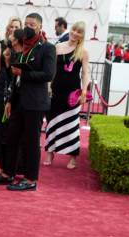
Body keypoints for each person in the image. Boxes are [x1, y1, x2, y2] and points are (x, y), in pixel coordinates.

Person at [0, 13, 56, 191]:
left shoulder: (47, 48)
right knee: (10, 138)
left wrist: (24, 74)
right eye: (26, 24)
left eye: (32, 24)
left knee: (31, 142)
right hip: (18, 101)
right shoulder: (23, 47)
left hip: (35, 102)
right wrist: (10, 101)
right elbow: (16, 77)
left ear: (39, 26)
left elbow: (48, 74)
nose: (28, 27)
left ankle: (30, 179)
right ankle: (7, 173)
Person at [44, 21, 89, 170]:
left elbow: (85, 73)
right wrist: (48, 86)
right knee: (51, 122)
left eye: (79, 32)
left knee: (71, 125)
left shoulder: (83, 52)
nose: (75, 33)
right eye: (74, 30)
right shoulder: (58, 47)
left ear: (82, 35)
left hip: (72, 93)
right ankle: (50, 152)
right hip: (56, 90)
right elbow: (52, 70)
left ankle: (73, 156)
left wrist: (84, 91)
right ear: (71, 29)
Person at [0, 17, 22, 162]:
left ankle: (10, 152)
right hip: (2, 81)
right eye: (11, 26)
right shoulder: (1, 44)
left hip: (15, 81)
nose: (13, 29)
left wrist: (8, 62)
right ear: (8, 28)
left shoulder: (22, 45)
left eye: (16, 27)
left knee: (11, 117)